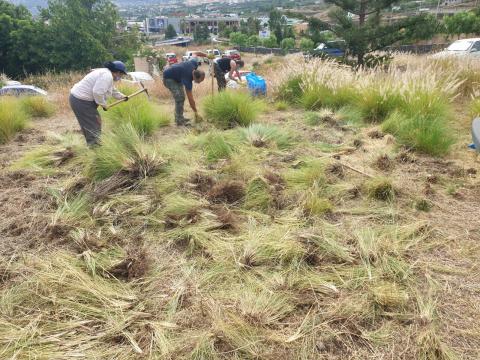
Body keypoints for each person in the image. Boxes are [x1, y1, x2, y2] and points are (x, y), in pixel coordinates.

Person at [69, 61, 128, 146]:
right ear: (118, 72)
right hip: (81, 101)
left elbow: (112, 89)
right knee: (94, 124)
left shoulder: (107, 74)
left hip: (80, 100)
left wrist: (122, 96)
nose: (121, 77)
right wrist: (103, 105)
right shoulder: (106, 76)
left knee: (91, 123)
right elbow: (97, 92)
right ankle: (95, 148)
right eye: (121, 75)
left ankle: (93, 145)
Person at [163, 54, 206, 126]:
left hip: (177, 77)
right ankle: (179, 121)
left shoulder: (194, 63)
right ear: (195, 77)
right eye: (199, 81)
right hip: (168, 78)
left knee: (181, 97)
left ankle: (180, 117)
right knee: (180, 98)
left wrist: (206, 55)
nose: (199, 83)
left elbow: (195, 53)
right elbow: (191, 99)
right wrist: (196, 112)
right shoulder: (187, 79)